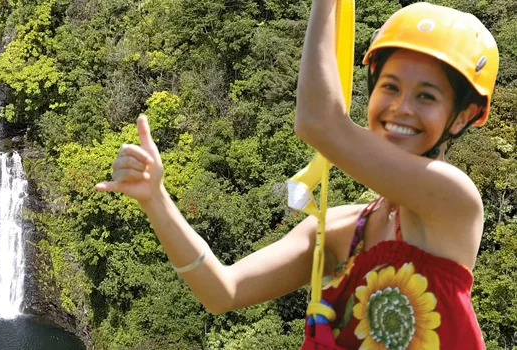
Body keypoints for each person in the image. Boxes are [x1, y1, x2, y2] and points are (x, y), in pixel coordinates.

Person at [94, 1, 498, 349]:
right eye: (389, 87)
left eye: (426, 96)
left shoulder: (455, 202)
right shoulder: (341, 231)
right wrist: (155, 198)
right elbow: (223, 291)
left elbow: (318, 123)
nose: (401, 107)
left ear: (463, 116)